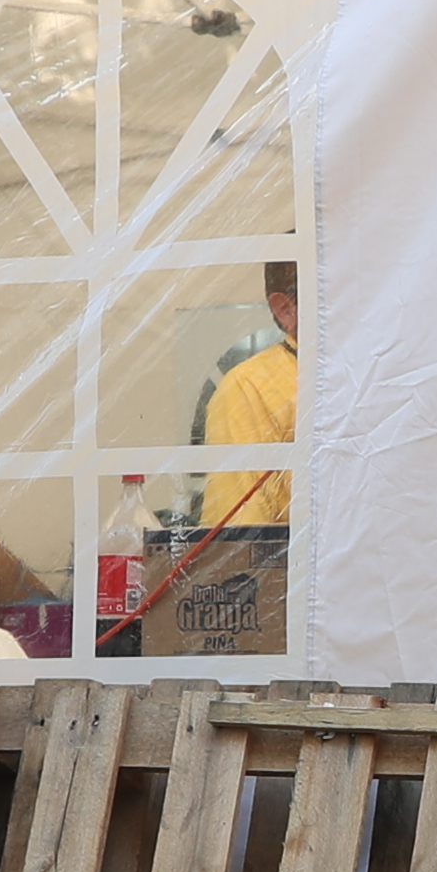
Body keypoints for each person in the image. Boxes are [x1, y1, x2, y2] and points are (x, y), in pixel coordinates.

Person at [150, 262, 296, 655]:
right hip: (301, 608)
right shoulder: (249, 388)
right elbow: (243, 541)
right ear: (285, 310)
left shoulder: (379, 375)